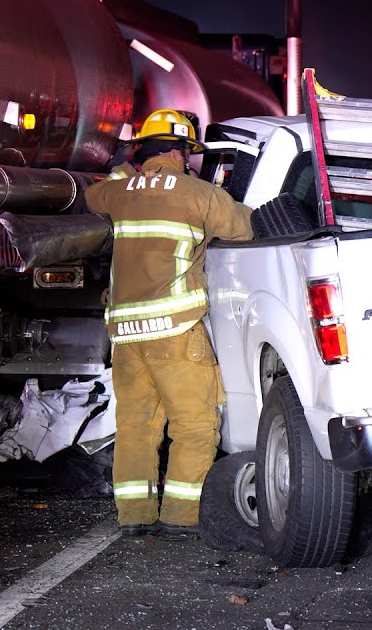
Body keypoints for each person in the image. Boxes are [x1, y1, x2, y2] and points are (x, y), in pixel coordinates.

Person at [84, 108, 254, 537]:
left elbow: (93, 195)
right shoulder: (197, 193)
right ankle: (180, 516)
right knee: (195, 426)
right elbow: (244, 227)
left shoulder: (119, 191)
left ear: (145, 151)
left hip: (126, 336)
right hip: (175, 331)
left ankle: (135, 517)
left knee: (136, 427)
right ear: (180, 153)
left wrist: (127, 166)